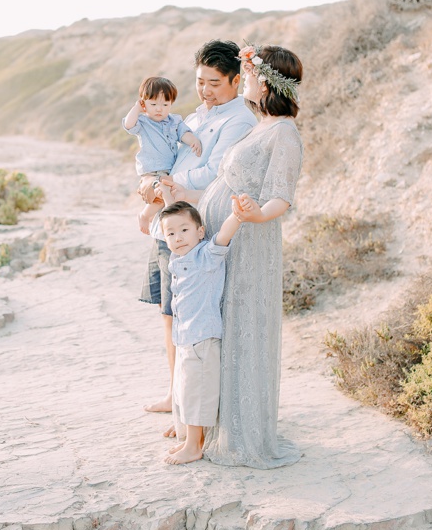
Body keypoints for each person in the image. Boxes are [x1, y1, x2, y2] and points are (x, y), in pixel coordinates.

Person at [166, 44, 304, 468]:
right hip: (226, 236)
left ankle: (241, 433)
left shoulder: (284, 132)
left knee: (241, 326)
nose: (244, 79)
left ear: (267, 82)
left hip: (247, 242)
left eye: (249, 74)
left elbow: (282, 195)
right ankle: (207, 424)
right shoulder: (261, 125)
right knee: (216, 329)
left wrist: (254, 214)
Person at [138, 41, 257, 417]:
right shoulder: (192, 116)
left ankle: (187, 406)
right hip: (169, 224)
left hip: (193, 232)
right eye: (200, 81)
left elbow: (214, 172)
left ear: (236, 81)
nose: (205, 90)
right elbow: (168, 155)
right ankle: (176, 395)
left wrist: (166, 183)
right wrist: (151, 183)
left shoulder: (239, 120)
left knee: (189, 323)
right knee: (169, 316)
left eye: (214, 83)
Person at [157, 199, 246, 465]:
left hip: (203, 338)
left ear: (200, 231)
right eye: (170, 233)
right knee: (185, 391)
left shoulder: (205, 255)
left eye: (184, 230)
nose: (178, 237)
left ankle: (194, 446)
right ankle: (190, 439)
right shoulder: (176, 260)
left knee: (198, 393)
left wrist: (237, 216)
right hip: (185, 339)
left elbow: (223, 238)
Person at [122, 76, 202, 235]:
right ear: (144, 103)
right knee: (161, 191)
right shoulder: (143, 122)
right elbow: (128, 124)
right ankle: (146, 215)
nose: (159, 109)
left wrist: (193, 140)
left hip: (168, 172)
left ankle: (154, 215)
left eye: (165, 104)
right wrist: (137, 109)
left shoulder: (175, 121)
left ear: (171, 103)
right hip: (151, 172)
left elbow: (183, 133)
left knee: (163, 194)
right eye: (153, 104)